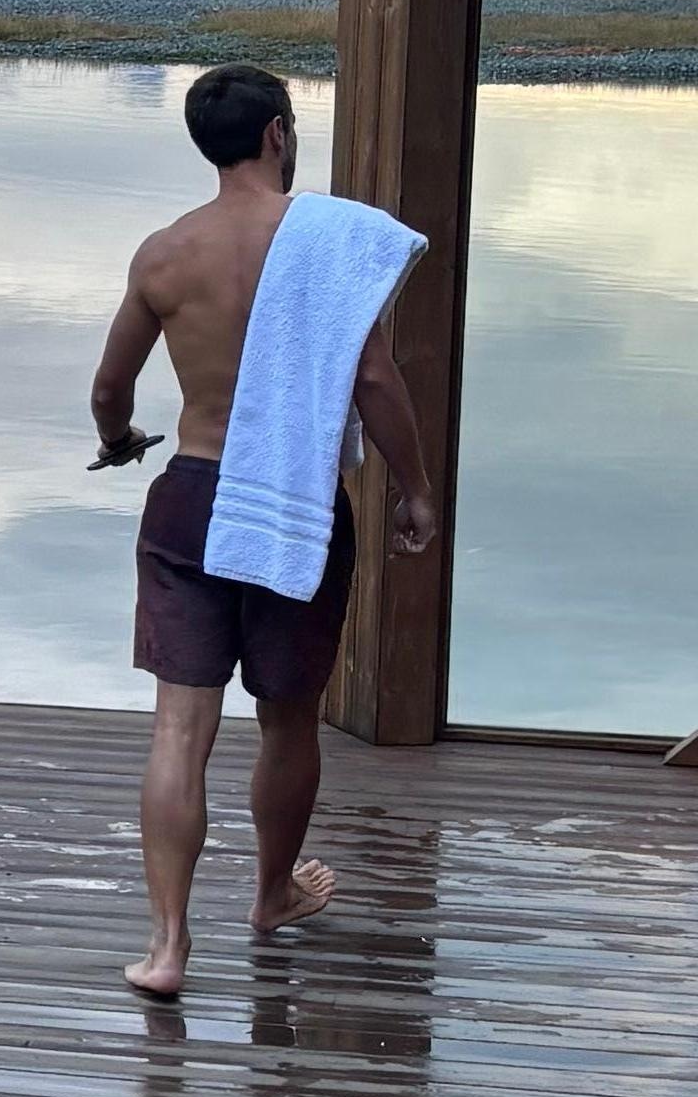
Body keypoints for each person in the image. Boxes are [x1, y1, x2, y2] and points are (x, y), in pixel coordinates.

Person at [88, 64, 437, 997]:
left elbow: (110, 390)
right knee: (287, 719)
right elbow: (373, 378)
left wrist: (119, 442)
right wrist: (416, 490)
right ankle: (272, 894)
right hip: (293, 501)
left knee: (180, 728)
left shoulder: (164, 254)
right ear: (279, 133)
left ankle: (167, 948)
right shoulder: (326, 241)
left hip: (191, 496)